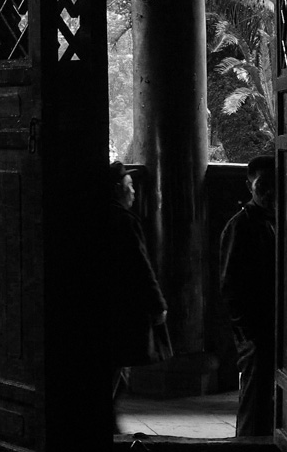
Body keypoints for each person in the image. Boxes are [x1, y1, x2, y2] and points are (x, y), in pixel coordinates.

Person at [106, 161, 168, 435]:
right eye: (130, 187)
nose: (133, 193)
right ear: (118, 189)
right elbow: (140, 267)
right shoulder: (123, 221)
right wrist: (158, 305)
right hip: (119, 314)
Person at [219, 154, 276, 437]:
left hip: (274, 327)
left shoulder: (280, 221)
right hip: (255, 330)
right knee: (255, 398)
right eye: (262, 185)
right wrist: (246, 330)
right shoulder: (240, 226)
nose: (269, 192)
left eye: (274, 185)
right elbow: (230, 284)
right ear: (249, 186)